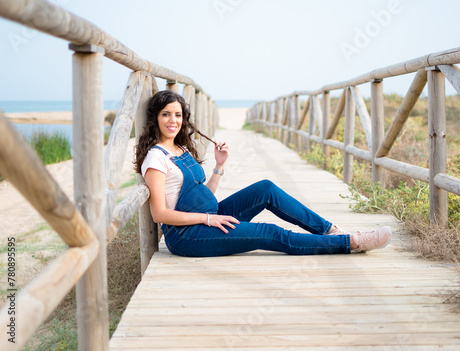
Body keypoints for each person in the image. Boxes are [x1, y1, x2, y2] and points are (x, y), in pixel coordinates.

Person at [134, 90, 391, 257]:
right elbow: (159, 214)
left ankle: (330, 230)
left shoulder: (180, 148)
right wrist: (209, 220)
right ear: (155, 119)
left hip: (207, 217)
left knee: (265, 188)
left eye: (177, 115)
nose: (173, 120)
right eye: (166, 114)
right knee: (268, 232)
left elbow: (203, 197)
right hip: (186, 236)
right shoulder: (156, 157)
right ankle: (350, 242)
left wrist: (219, 166)